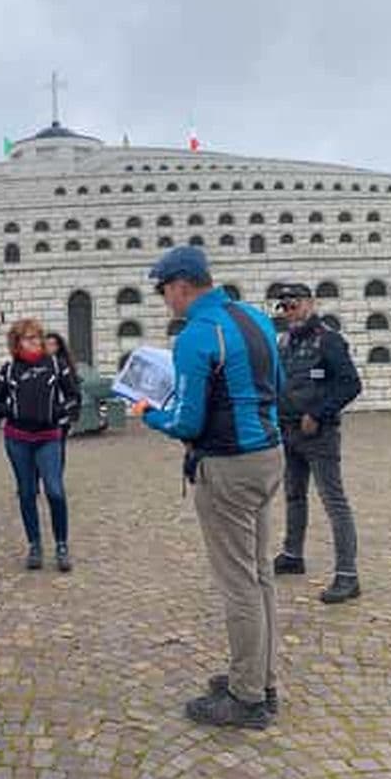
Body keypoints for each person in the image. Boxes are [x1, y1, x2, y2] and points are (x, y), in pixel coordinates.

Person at [141, 246, 283, 730]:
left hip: (227, 465)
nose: (165, 301)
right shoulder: (253, 316)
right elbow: (276, 385)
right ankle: (261, 677)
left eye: (164, 291)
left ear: (181, 285)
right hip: (268, 455)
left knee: (238, 582)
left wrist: (147, 413)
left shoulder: (196, 336)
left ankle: (246, 699)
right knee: (260, 573)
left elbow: (187, 421)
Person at [272, 283, 362, 604]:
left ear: (311, 303)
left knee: (333, 501)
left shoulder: (329, 340)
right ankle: (293, 555)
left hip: (319, 434)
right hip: (288, 431)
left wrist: (319, 413)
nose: (289, 311)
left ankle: (348, 576)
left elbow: (351, 384)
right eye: (283, 307)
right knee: (294, 496)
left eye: (294, 304)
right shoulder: (283, 342)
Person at [0, 317, 79, 573]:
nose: (35, 342)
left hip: (48, 437)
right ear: (17, 343)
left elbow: (74, 396)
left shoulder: (55, 365)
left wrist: (60, 413)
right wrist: (12, 409)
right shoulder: (8, 370)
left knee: (55, 490)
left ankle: (61, 544)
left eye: (37, 337)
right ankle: (35, 545)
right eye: (29, 338)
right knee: (27, 492)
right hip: (18, 439)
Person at [44, 332, 82, 473]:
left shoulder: (63, 366)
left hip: (61, 413)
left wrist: (72, 412)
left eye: (52, 344)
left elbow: (73, 392)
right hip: (44, 414)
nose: (49, 347)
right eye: (47, 344)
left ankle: (57, 476)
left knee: (59, 447)